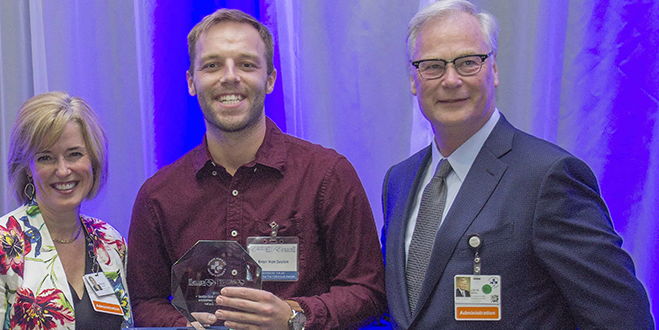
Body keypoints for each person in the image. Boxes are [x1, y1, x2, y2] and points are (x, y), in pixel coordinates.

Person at [381, 1, 654, 329]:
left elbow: (623, 317)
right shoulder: (399, 180)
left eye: (468, 62)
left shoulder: (548, 177)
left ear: (493, 70)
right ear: (414, 79)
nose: (451, 80)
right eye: (433, 66)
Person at [127, 8, 386, 330]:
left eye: (247, 64)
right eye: (212, 65)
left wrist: (293, 315)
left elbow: (368, 292)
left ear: (270, 79)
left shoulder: (327, 176)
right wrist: (182, 327)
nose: (230, 77)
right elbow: (141, 302)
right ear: (192, 82)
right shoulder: (159, 196)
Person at [0, 92, 133, 329]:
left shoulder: (110, 242)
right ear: (28, 168)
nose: (63, 170)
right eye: (46, 158)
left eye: (74, 154)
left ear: (93, 159)